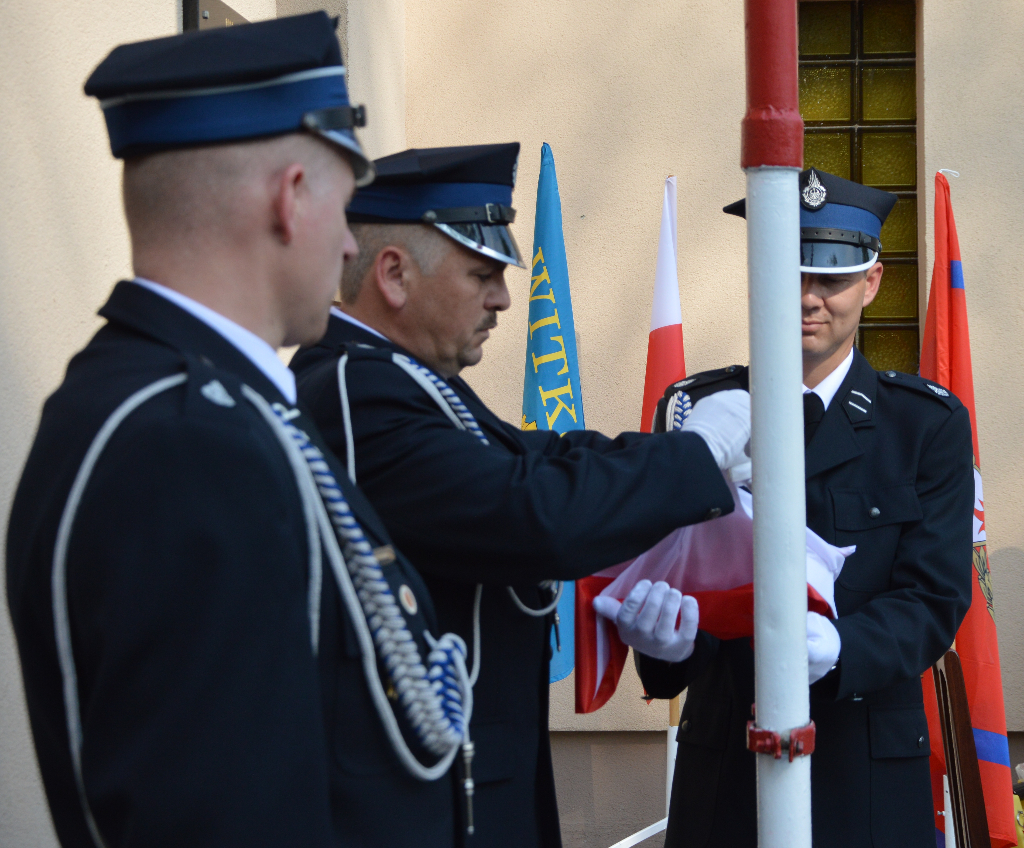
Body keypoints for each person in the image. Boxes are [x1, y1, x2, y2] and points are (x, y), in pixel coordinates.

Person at [6, 14, 466, 848]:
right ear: (292, 199)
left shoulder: (190, 408)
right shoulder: (186, 443)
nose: (351, 244)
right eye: (348, 202)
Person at [290, 143, 752, 847]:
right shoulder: (358, 391)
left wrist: (693, 465)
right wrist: (698, 451)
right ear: (393, 274)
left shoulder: (403, 384)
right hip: (423, 803)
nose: (504, 297)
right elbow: (533, 513)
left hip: (464, 788)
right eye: (481, 274)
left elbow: (550, 454)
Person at [610, 168, 974, 848]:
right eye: (786, 274)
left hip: (861, 773)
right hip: (728, 778)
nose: (808, 298)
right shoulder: (697, 411)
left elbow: (934, 595)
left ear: (870, 282)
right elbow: (669, 570)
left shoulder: (924, 426)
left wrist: (843, 647)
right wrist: (666, 647)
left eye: (830, 278)